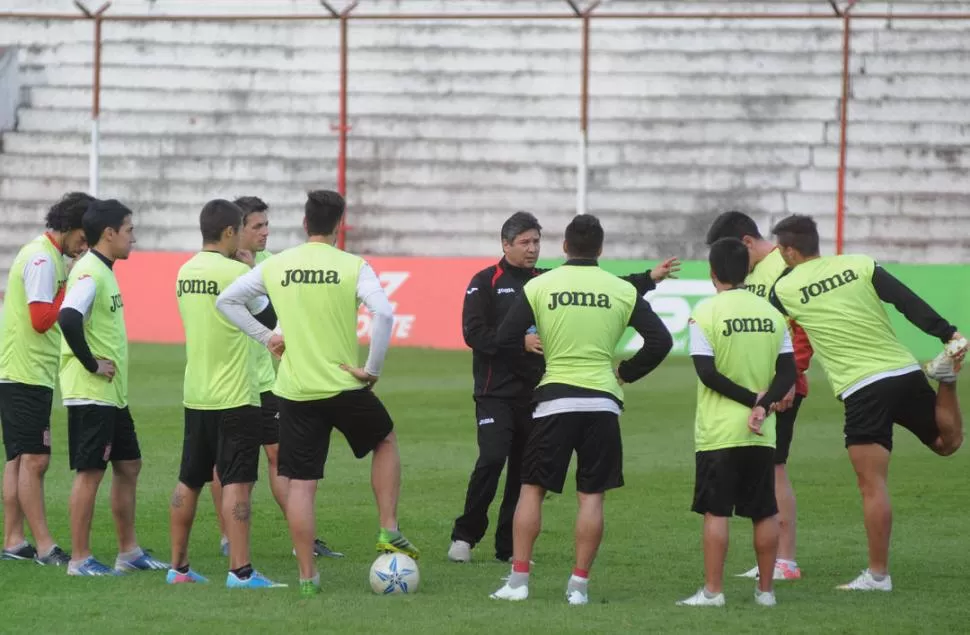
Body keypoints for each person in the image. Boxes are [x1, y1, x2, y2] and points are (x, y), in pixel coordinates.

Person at [216, 189, 418, 598]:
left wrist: (266, 337)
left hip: (295, 390)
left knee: (302, 485)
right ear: (338, 224)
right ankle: (388, 527)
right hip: (343, 383)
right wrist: (372, 370)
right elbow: (384, 313)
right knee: (385, 439)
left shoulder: (282, 264)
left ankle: (308, 577)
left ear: (306, 223)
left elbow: (227, 301)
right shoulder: (352, 265)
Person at [449, 211, 679, 564]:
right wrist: (518, 344)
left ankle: (508, 547)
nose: (532, 249)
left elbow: (602, 285)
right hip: (496, 392)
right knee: (492, 459)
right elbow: (473, 333)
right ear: (505, 244)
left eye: (536, 242)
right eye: (524, 242)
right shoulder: (485, 281)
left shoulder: (547, 279)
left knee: (523, 473)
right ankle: (465, 535)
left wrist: (649, 278)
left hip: (540, 391)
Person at [768, 214, 966, 591]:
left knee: (872, 485)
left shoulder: (784, 289)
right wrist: (947, 333)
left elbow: (774, 339)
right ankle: (948, 381)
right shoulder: (858, 263)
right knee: (946, 443)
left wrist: (780, 384)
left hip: (863, 388)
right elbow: (905, 300)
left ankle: (878, 575)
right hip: (903, 371)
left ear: (790, 251)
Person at [209, 195, 342, 560]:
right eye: (257, 227)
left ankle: (302, 536)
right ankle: (228, 536)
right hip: (230, 380)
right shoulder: (218, 268)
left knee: (279, 455)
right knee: (229, 462)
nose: (265, 232)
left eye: (267, 225)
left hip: (267, 379)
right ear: (235, 231)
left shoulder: (272, 264)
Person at [167, 199, 285, 588]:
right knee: (236, 480)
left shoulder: (185, 272)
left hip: (195, 391)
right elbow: (268, 318)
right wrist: (252, 272)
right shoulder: (235, 272)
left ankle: (178, 568)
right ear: (230, 232)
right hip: (235, 393)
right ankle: (241, 571)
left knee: (189, 480)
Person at [677, 237, 796, 608]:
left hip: (719, 433)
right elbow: (788, 371)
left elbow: (707, 373)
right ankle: (765, 592)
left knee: (716, 511)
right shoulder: (772, 314)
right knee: (764, 511)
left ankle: (713, 591)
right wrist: (765, 404)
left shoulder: (706, 313)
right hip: (761, 433)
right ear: (747, 270)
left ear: (713, 274)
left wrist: (751, 401)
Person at [57, 199, 168, 576]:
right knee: (90, 472)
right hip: (91, 392)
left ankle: (128, 552)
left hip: (111, 395)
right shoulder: (89, 271)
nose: (133, 238)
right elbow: (68, 317)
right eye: (129, 230)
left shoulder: (103, 270)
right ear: (109, 233)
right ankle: (79, 559)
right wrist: (90, 362)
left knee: (129, 464)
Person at [705, 210, 813, 581]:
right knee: (766, 467)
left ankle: (785, 560)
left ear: (747, 243)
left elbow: (801, 328)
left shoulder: (784, 269)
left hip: (779, 388)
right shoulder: (749, 276)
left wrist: (788, 382)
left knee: (775, 467)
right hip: (756, 390)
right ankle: (776, 558)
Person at [0, 192, 91, 566]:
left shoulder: (46, 254)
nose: (84, 244)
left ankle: (13, 540)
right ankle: (43, 546)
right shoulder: (43, 259)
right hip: (25, 373)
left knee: (19, 460)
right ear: (69, 227)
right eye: (83, 236)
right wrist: (72, 286)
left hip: (21, 370)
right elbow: (40, 320)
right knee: (35, 460)